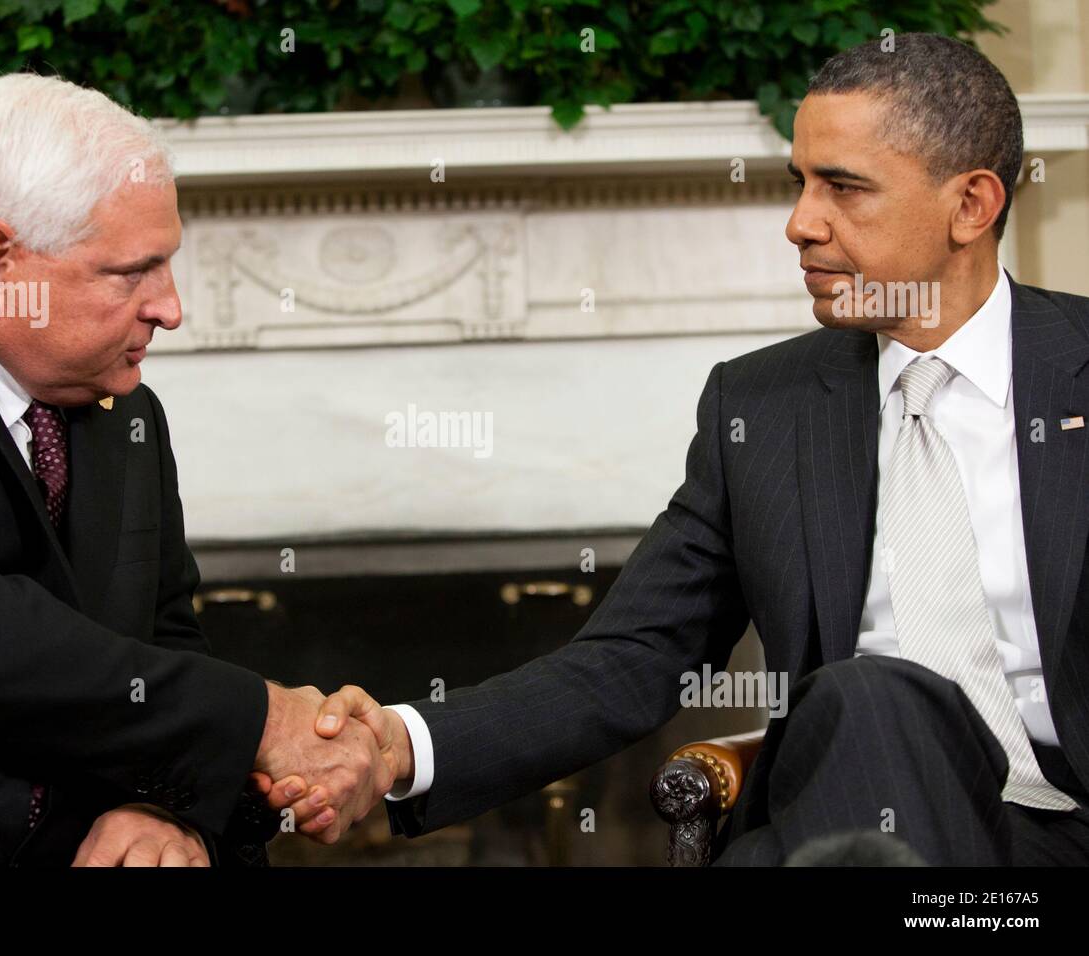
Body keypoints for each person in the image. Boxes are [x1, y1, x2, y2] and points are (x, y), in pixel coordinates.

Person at [265, 33, 1089, 865]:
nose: (801, 225)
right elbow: (633, 656)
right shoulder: (763, 408)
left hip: (1061, 826)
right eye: (799, 184)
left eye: (844, 188)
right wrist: (400, 744)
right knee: (868, 698)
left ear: (972, 205)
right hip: (848, 814)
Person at [0, 73, 394, 866]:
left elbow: (168, 641)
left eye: (167, 265)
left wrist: (158, 807)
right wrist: (264, 721)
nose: (169, 307)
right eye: (130, 272)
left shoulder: (126, 413)